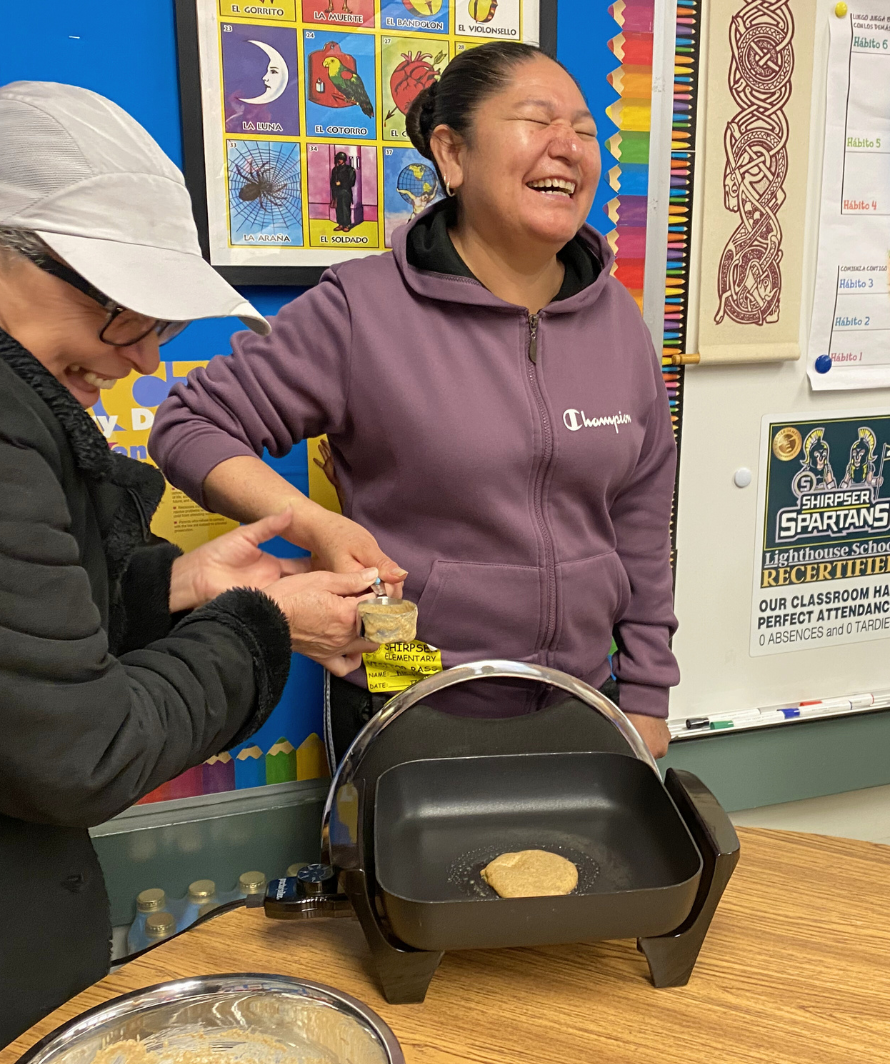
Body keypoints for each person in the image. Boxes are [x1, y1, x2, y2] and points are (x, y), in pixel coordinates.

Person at [0, 82, 375, 1064]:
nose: (144, 359)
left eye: (157, 323)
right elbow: (72, 748)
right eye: (121, 315)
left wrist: (173, 587)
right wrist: (261, 628)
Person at [150, 42, 680, 762]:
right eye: (536, 120)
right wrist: (309, 524)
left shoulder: (617, 319)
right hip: (410, 690)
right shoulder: (362, 308)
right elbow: (190, 423)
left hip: (584, 698)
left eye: (585, 131)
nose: (568, 147)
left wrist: (646, 695)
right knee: (415, 873)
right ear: (451, 154)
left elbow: (641, 523)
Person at [330, 151, 356, 232]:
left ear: (344, 160)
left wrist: (341, 183)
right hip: (337, 192)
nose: (339, 161)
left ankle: (347, 224)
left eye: (341, 159)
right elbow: (332, 182)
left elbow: (351, 182)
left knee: (345, 209)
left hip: (345, 192)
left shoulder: (350, 169)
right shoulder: (335, 170)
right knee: (339, 209)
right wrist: (334, 189)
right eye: (338, 159)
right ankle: (341, 224)